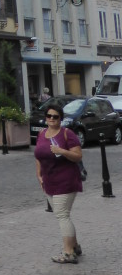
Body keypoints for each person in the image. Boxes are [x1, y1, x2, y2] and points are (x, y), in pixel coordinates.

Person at [34, 101, 83, 264]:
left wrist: (61, 151)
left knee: (62, 215)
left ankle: (68, 253)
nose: (51, 119)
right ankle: (75, 246)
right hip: (49, 181)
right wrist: (38, 174)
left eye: (55, 116)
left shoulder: (67, 134)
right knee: (62, 215)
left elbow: (77, 156)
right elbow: (38, 155)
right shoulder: (42, 134)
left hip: (66, 180)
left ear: (60, 119)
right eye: (49, 116)